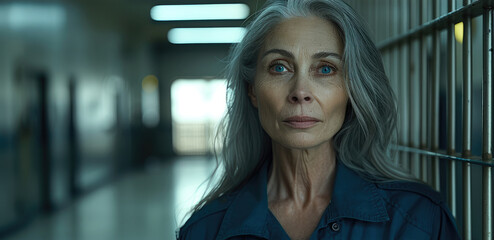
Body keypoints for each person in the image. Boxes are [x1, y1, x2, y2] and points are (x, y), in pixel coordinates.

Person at [178, 0, 460, 239]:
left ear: (352, 89)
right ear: (252, 89)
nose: (301, 92)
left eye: (325, 69)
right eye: (279, 67)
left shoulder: (419, 221)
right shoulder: (205, 230)